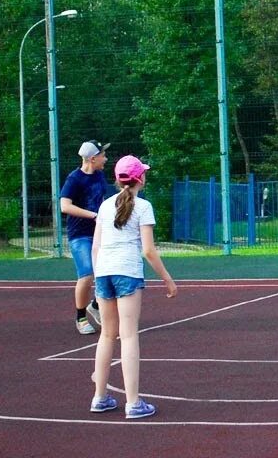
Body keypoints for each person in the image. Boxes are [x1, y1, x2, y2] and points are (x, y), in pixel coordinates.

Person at [90, 154, 178, 420]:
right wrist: (167, 278)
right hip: (127, 273)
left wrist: (97, 277)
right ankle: (133, 403)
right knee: (128, 336)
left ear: (118, 179)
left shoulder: (105, 206)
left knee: (107, 335)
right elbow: (149, 250)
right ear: (140, 178)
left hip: (104, 273)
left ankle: (100, 397)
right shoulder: (143, 207)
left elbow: (96, 247)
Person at [60, 139, 113, 334]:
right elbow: (64, 206)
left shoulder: (99, 176)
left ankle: (97, 307)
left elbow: (103, 201)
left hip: (100, 233)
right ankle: (81, 317)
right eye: (102, 155)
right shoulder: (74, 179)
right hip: (80, 235)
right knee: (87, 273)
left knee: (106, 272)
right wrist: (94, 215)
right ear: (92, 158)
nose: (105, 159)